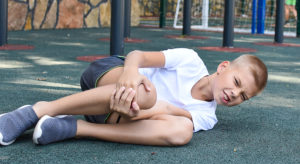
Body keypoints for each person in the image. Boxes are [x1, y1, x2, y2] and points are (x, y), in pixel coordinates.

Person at [0, 48, 268, 147]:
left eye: (243, 96)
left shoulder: (207, 117)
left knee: (182, 131)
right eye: (236, 83)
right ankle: (36, 111)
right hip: (110, 76)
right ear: (223, 67)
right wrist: (130, 74)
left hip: (118, 114)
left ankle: (75, 127)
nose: (234, 94)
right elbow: (137, 56)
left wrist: (133, 109)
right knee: (146, 94)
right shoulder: (190, 60)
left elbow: (160, 114)